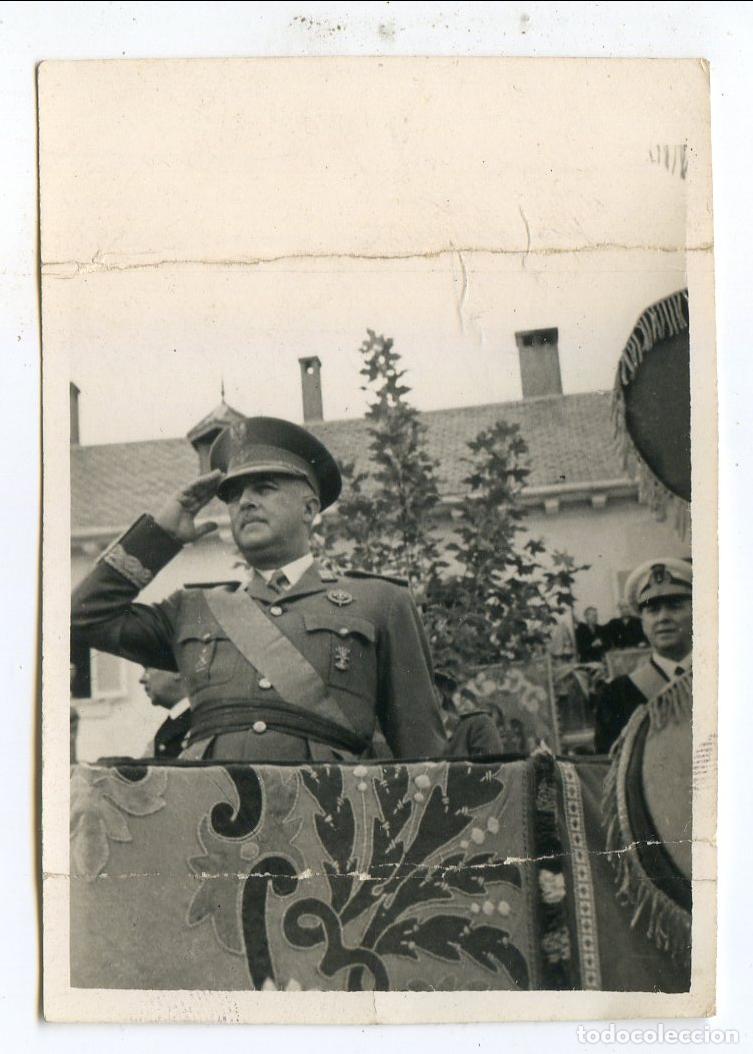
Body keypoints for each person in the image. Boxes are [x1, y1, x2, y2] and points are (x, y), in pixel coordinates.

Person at [72, 416, 448, 763]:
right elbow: (81, 617)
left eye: (264, 488)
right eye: (233, 496)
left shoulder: (380, 603)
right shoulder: (193, 608)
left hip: (329, 823)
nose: (245, 502)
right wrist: (161, 535)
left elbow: (423, 754)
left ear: (309, 508)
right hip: (210, 822)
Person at [593, 558, 692, 753]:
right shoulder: (617, 696)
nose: (663, 617)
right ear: (643, 622)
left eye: (675, 606)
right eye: (653, 610)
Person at [139, 667, 191, 758]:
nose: (141, 679)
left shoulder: (201, 718)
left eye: (147, 668)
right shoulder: (174, 721)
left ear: (177, 671)